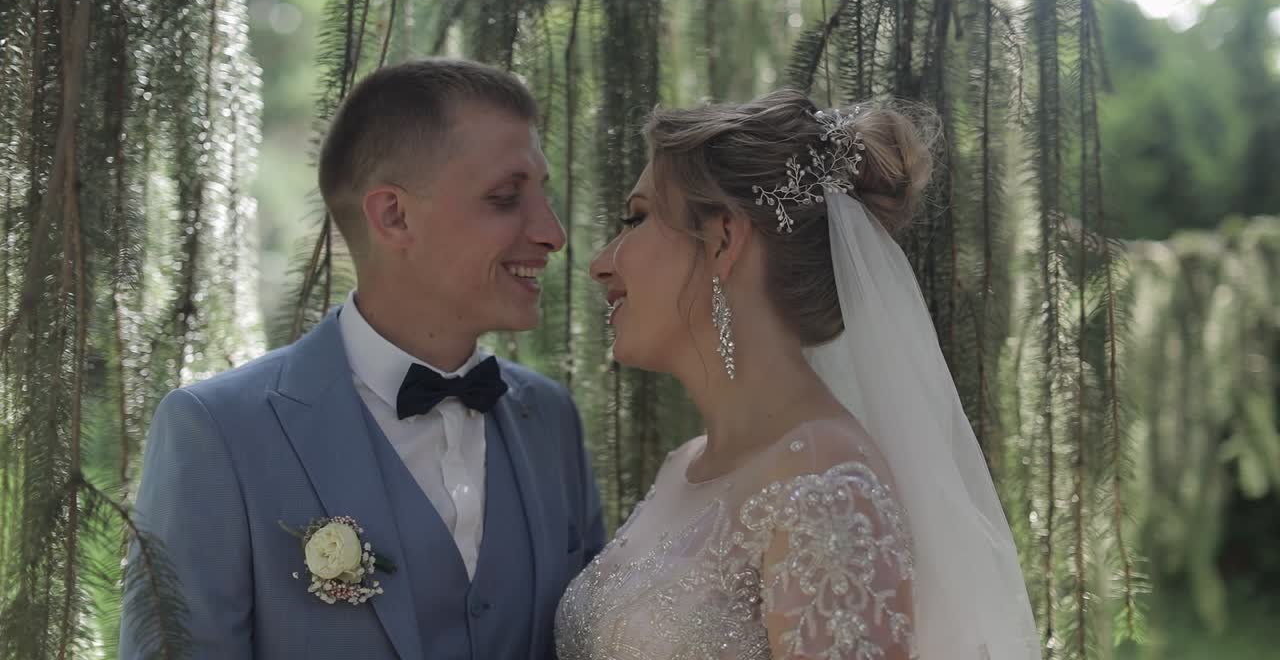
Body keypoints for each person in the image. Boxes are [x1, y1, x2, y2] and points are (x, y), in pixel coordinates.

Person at [121, 58, 605, 660]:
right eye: (506, 198)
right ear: (393, 216)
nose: (552, 232)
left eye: (542, 193)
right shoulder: (217, 434)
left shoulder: (550, 420)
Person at [557, 89, 1040, 659]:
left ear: (723, 239)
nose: (600, 263)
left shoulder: (826, 480)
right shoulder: (682, 465)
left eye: (636, 218)